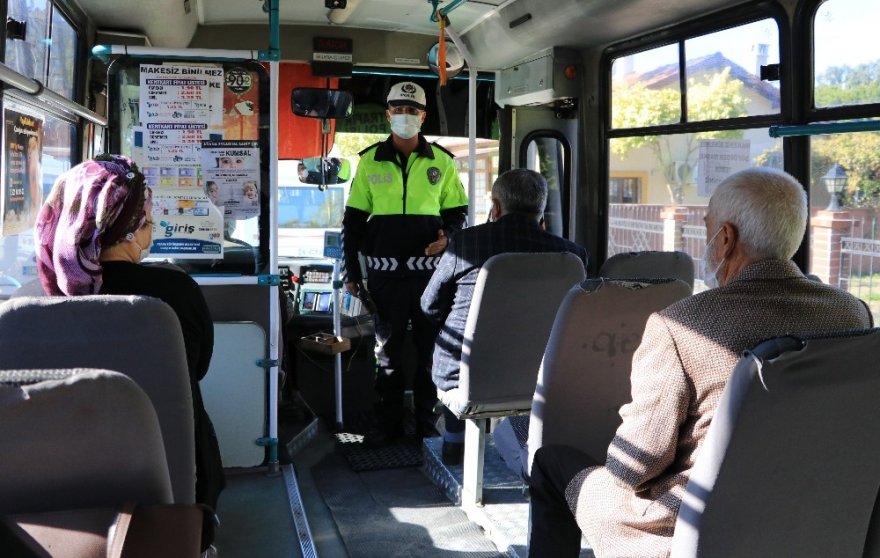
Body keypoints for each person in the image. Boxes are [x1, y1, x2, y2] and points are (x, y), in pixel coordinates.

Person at [527, 167, 873, 557]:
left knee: (551, 463)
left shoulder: (678, 325)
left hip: (690, 526)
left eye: (707, 226)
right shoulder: (853, 313)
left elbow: (632, 469)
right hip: (816, 508)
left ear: (725, 238)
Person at [33, 155, 226, 532]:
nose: (150, 228)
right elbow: (196, 369)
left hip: (68, 478)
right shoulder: (176, 292)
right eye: (148, 221)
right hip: (180, 471)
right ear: (129, 229)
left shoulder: (51, 300)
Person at [421, 169, 588, 465]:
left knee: (452, 349)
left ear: (496, 207)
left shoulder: (466, 244)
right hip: (543, 374)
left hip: (467, 375)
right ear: (540, 209)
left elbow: (429, 306)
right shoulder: (573, 256)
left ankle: (454, 441)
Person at [342, 81, 469, 445]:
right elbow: (352, 224)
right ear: (387, 114)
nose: (404, 116)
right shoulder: (369, 161)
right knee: (388, 355)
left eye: (411, 110)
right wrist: (352, 272)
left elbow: (457, 216)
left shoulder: (441, 163)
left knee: (432, 353)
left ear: (423, 116)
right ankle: (388, 426)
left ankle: (427, 425)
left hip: (431, 279)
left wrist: (448, 239)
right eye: (397, 109)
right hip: (383, 279)